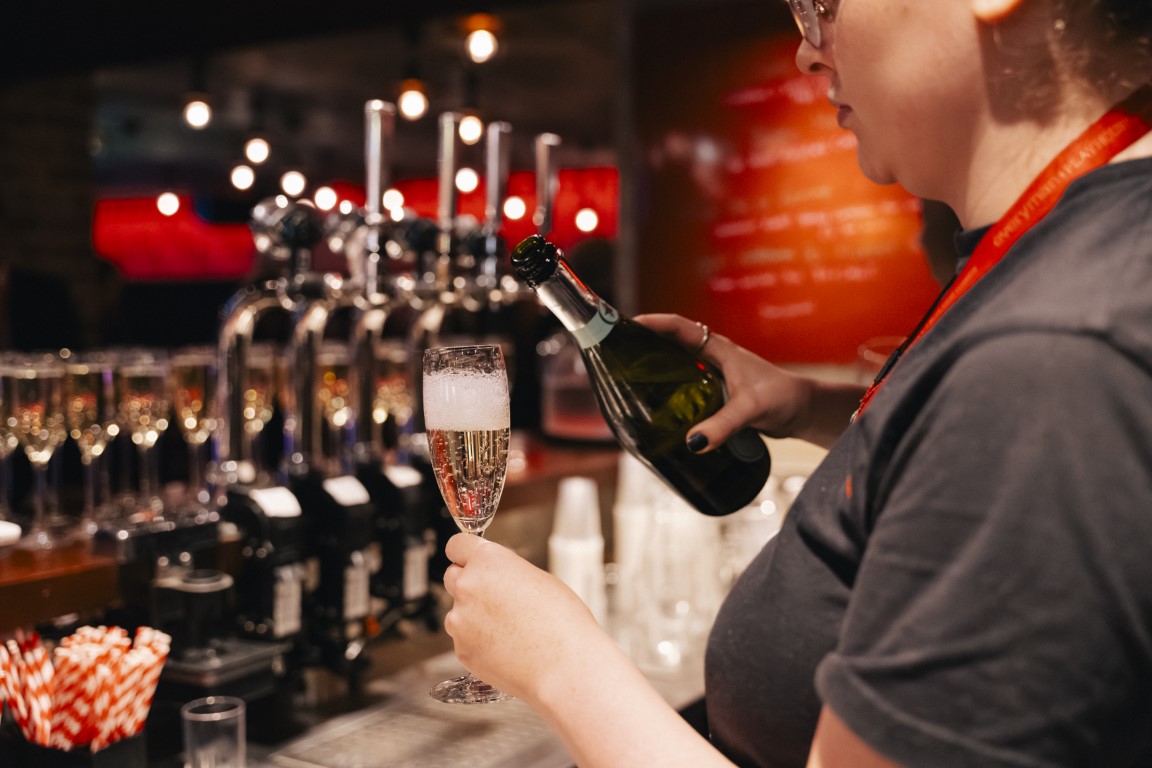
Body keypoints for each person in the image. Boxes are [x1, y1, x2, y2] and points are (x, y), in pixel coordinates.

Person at [441, 0, 1152, 765]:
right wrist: (817, 409)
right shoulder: (1069, 258)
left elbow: (1023, 419)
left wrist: (559, 664)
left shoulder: (1050, 357)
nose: (808, 53)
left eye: (824, 6)